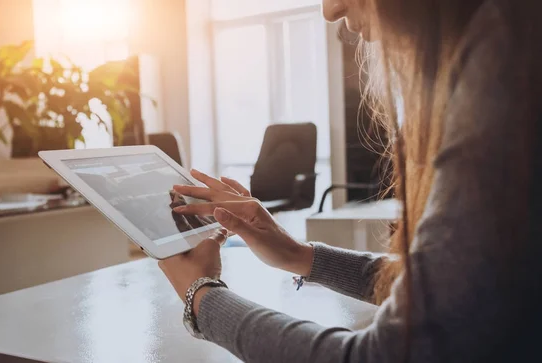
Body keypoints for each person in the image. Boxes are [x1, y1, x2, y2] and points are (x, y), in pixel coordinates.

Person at [158, 0, 542, 361]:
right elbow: (458, 296)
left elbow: (383, 356)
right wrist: (298, 255)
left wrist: (201, 298)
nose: (330, 10)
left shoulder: (506, 61)